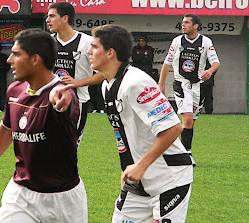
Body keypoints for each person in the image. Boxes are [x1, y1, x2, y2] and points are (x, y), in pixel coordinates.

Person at [0, 29, 87, 223]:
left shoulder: (63, 95)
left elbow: (64, 100)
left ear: (35, 59)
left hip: (63, 200)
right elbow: (6, 129)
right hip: (21, 194)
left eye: (16, 54)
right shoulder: (14, 91)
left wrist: (60, 95)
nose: (9, 60)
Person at [87, 24, 193, 223]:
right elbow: (122, 133)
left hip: (169, 179)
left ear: (110, 53)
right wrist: (129, 166)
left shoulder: (135, 83)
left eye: (94, 46)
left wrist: (141, 166)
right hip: (138, 182)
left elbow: (173, 128)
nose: (88, 51)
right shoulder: (106, 86)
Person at [158, 14, 220, 165]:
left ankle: (176, 150)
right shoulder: (177, 41)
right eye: (182, 22)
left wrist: (209, 71)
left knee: (190, 122)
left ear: (196, 26)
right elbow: (167, 63)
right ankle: (187, 155)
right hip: (182, 84)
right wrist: (161, 83)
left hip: (198, 86)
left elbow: (216, 62)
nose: (183, 25)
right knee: (186, 120)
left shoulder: (205, 42)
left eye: (186, 22)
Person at [46, 2, 105, 146]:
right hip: (49, 102)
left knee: (69, 148)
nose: (48, 20)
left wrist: (78, 82)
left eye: (52, 16)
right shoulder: (48, 42)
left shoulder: (87, 42)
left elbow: (104, 73)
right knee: (47, 148)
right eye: (48, 16)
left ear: (65, 18)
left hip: (77, 103)